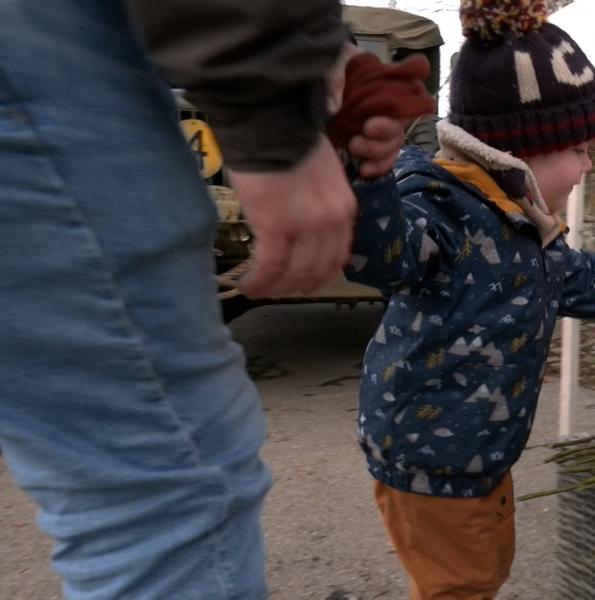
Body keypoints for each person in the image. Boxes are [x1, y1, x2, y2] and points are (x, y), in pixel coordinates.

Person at [0, 2, 409, 598]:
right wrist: (276, 104)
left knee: (114, 471)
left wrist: (325, 56)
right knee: (171, 485)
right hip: (36, 69)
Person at [340, 3, 595, 598]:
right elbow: (378, 253)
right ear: (522, 153)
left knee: (488, 567)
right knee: (461, 585)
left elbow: (588, 285)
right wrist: (367, 174)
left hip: (482, 451)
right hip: (428, 458)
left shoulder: (528, 228)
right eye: (577, 150)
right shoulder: (439, 210)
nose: (587, 167)